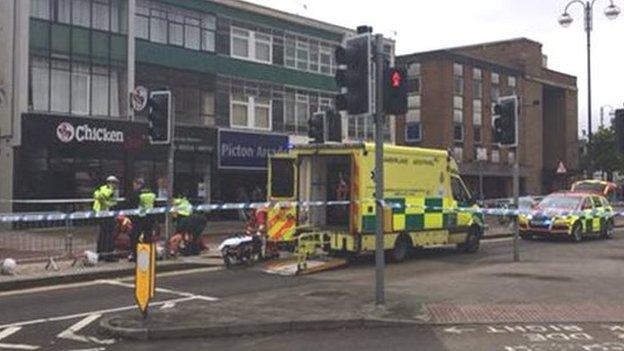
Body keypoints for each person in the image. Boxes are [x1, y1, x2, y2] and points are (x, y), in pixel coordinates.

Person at [127, 178, 156, 261]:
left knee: (134, 237)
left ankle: (136, 256)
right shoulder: (151, 193)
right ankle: (148, 255)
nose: (134, 187)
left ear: (138, 184)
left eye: (134, 185)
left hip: (139, 219)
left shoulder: (137, 193)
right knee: (147, 237)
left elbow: (131, 202)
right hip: (149, 218)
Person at [93, 175, 119, 261]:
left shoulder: (102, 188)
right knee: (108, 235)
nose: (116, 185)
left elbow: (97, 195)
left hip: (102, 213)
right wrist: (106, 203)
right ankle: (108, 255)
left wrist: (104, 201)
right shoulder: (111, 190)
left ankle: (100, 254)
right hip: (107, 214)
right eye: (115, 183)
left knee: (103, 234)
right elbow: (112, 202)